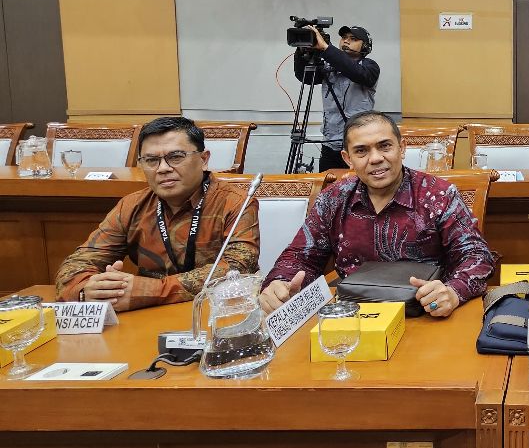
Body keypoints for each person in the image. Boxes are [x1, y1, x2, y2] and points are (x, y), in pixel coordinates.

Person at [260, 111, 495, 317]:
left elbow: (476, 255)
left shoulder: (438, 195)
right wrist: (280, 284)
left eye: (385, 146)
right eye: (361, 151)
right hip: (352, 315)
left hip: (425, 312)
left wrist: (453, 291)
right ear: (348, 159)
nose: (375, 158)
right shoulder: (333, 199)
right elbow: (300, 255)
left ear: (402, 148)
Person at [55, 117, 260, 311]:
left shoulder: (234, 202)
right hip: (146, 315)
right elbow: (77, 264)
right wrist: (88, 290)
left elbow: (237, 270)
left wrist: (149, 291)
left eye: (176, 157)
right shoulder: (132, 205)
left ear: (203, 159)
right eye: (151, 160)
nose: (163, 168)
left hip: (214, 313)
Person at [294, 24, 381, 171]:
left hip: (358, 142)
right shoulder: (329, 65)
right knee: (327, 183)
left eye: (353, 39)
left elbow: (356, 72)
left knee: (357, 183)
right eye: (344, 38)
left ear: (365, 46)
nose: (346, 41)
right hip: (330, 142)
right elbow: (306, 77)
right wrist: (302, 51)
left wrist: (326, 49)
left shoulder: (369, 66)